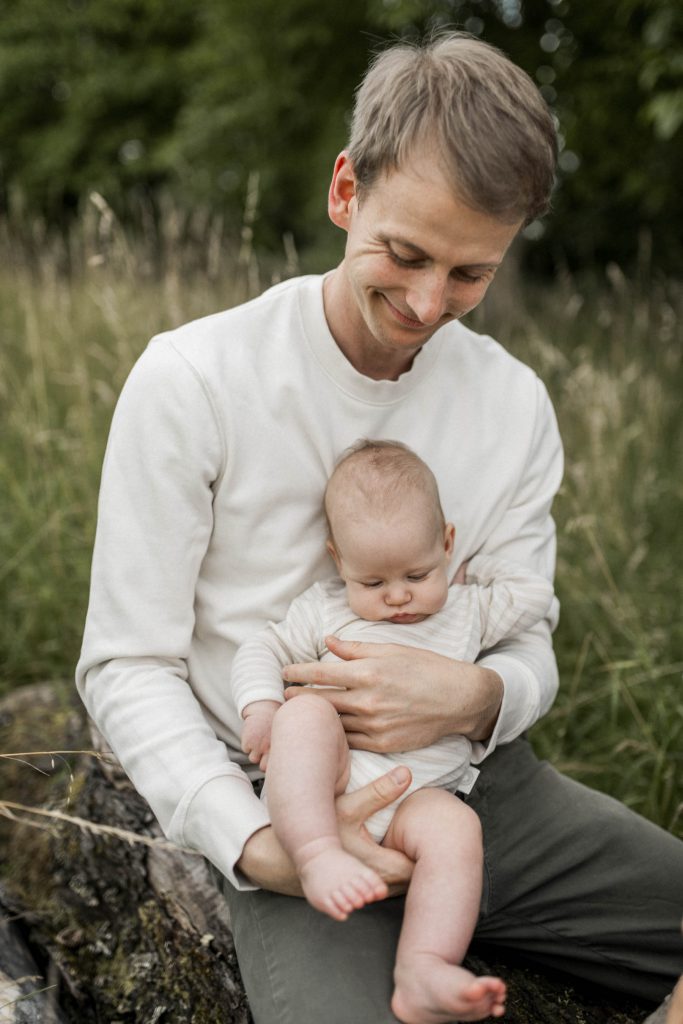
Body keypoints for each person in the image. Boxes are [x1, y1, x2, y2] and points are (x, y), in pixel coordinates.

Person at [76, 30, 683, 1024]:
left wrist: (480, 694)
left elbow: (528, 631)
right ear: (344, 190)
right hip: (289, 808)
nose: (426, 302)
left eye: (470, 274)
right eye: (404, 255)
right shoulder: (193, 380)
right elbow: (125, 663)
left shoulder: (512, 404)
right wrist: (256, 843)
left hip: (478, 792)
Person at [232, 438, 555, 1022]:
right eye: (372, 583)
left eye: (417, 573)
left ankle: (423, 967)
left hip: (417, 799)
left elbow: (535, 594)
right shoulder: (325, 608)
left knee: (457, 829)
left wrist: (470, 568)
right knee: (304, 714)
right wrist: (260, 706)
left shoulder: (468, 609)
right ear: (339, 562)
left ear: (447, 544)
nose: (399, 596)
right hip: (332, 781)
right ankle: (315, 854)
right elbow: (262, 647)